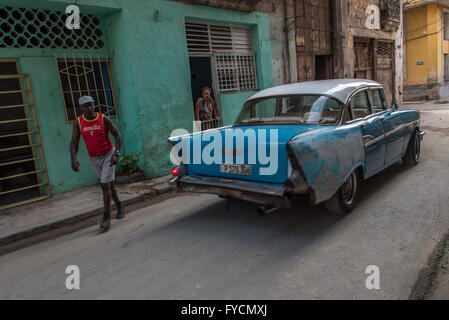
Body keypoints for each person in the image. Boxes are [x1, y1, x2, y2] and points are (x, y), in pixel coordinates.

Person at [70, 96, 124, 233]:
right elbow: (74, 142)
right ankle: (119, 205)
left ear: (94, 105)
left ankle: (106, 218)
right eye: (85, 106)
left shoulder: (103, 119)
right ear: (81, 108)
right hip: (94, 158)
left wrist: (116, 154)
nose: (89, 108)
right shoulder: (78, 122)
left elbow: (117, 134)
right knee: (109, 185)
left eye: (91, 105)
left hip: (108, 156)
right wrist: (73, 158)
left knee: (105, 185)